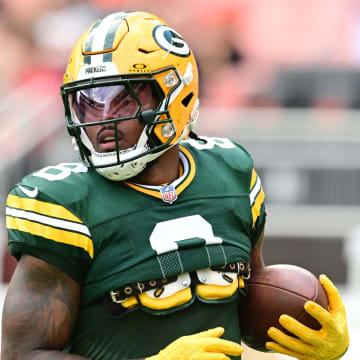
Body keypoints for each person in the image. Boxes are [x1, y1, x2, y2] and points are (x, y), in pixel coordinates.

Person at [2, 11, 349, 360]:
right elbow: (22, 354)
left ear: (177, 96)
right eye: (89, 103)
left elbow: (242, 311)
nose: (103, 120)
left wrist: (307, 335)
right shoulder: (65, 203)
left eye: (124, 99)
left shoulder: (231, 173)